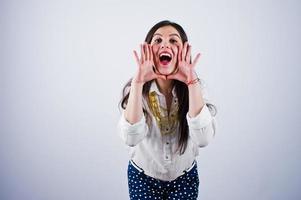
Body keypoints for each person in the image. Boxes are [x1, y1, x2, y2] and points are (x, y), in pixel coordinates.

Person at [118, 20, 217, 200]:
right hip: (143, 177)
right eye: (157, 41)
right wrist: (138, 82)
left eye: (173, 41)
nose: (165, 44)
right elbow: (130, 138)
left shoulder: (196, 88)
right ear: (148, 51)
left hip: (184, 179)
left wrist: (191, 81)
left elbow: (203, 139)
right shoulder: (134, 89)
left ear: (183, 52)